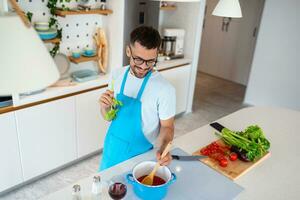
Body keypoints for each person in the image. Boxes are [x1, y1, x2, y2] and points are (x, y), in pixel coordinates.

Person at [99, 26, 176, 171]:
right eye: (138, 60)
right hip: (112, 151)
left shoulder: (165, 89)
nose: (143, 67)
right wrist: (105, 107)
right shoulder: (117, 75)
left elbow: (167, 127)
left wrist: (164, 148)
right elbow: (109, 117)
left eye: (150, 61)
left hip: (140, 159)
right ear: (128, 51)